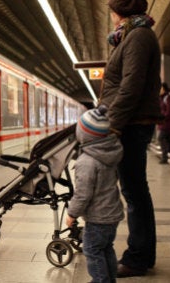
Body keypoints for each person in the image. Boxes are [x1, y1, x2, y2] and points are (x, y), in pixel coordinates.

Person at [100, 0, 163, 277]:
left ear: (119, 12)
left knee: (135, 191)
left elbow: (131, 86)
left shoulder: (138, 37)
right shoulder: (132, 36)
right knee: (135, 190)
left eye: (112, 11)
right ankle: (141, 254)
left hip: (131, 124)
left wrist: (112, 123)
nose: (111, 17)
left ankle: (138, 257)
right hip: (131, 122)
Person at [66, 106, 124, 283]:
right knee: (106, 248)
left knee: (92, 250)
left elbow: (83, 194)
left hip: (98, 218)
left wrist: (72, 213)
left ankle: (101, 280)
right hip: (112, 214)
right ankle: (109, 278)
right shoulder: (110, 152)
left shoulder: (86, 162)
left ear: (83, 135)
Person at [157, 83, 170, 164]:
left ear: (163, 89)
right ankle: (169, 154)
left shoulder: (168, 97)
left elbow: (169, 111)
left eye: (160, 89)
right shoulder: (162, 98)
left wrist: (163, 117)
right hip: (164, 122)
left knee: (161, 138)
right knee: (167, 138)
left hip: (167, 122)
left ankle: (165, 157)